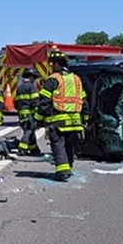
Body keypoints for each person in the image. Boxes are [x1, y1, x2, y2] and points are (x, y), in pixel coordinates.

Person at [37, 50, 86, 181]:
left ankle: (63, 171)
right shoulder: (76, 79)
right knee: (69, 146)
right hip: (75, 121)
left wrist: (38, 119)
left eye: (52, 64)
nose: (52, 66)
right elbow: (83, 101)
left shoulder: (53, 79)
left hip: (58, 120)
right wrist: (85, 119)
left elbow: (44, 102)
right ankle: (68, 167)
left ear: (56, 64)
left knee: (58, 144)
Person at [14, 68, 42, 155]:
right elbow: (35, 102)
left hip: (21, 115)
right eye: (34, 77)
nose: (34, 80)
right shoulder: (32, 87)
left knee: (29, 131)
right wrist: (39, 114)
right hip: (30, 114)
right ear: (30, 77)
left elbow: (16, 103)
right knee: (29, 131)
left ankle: (34, 149)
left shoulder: (20, 88)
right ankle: (22, 147)